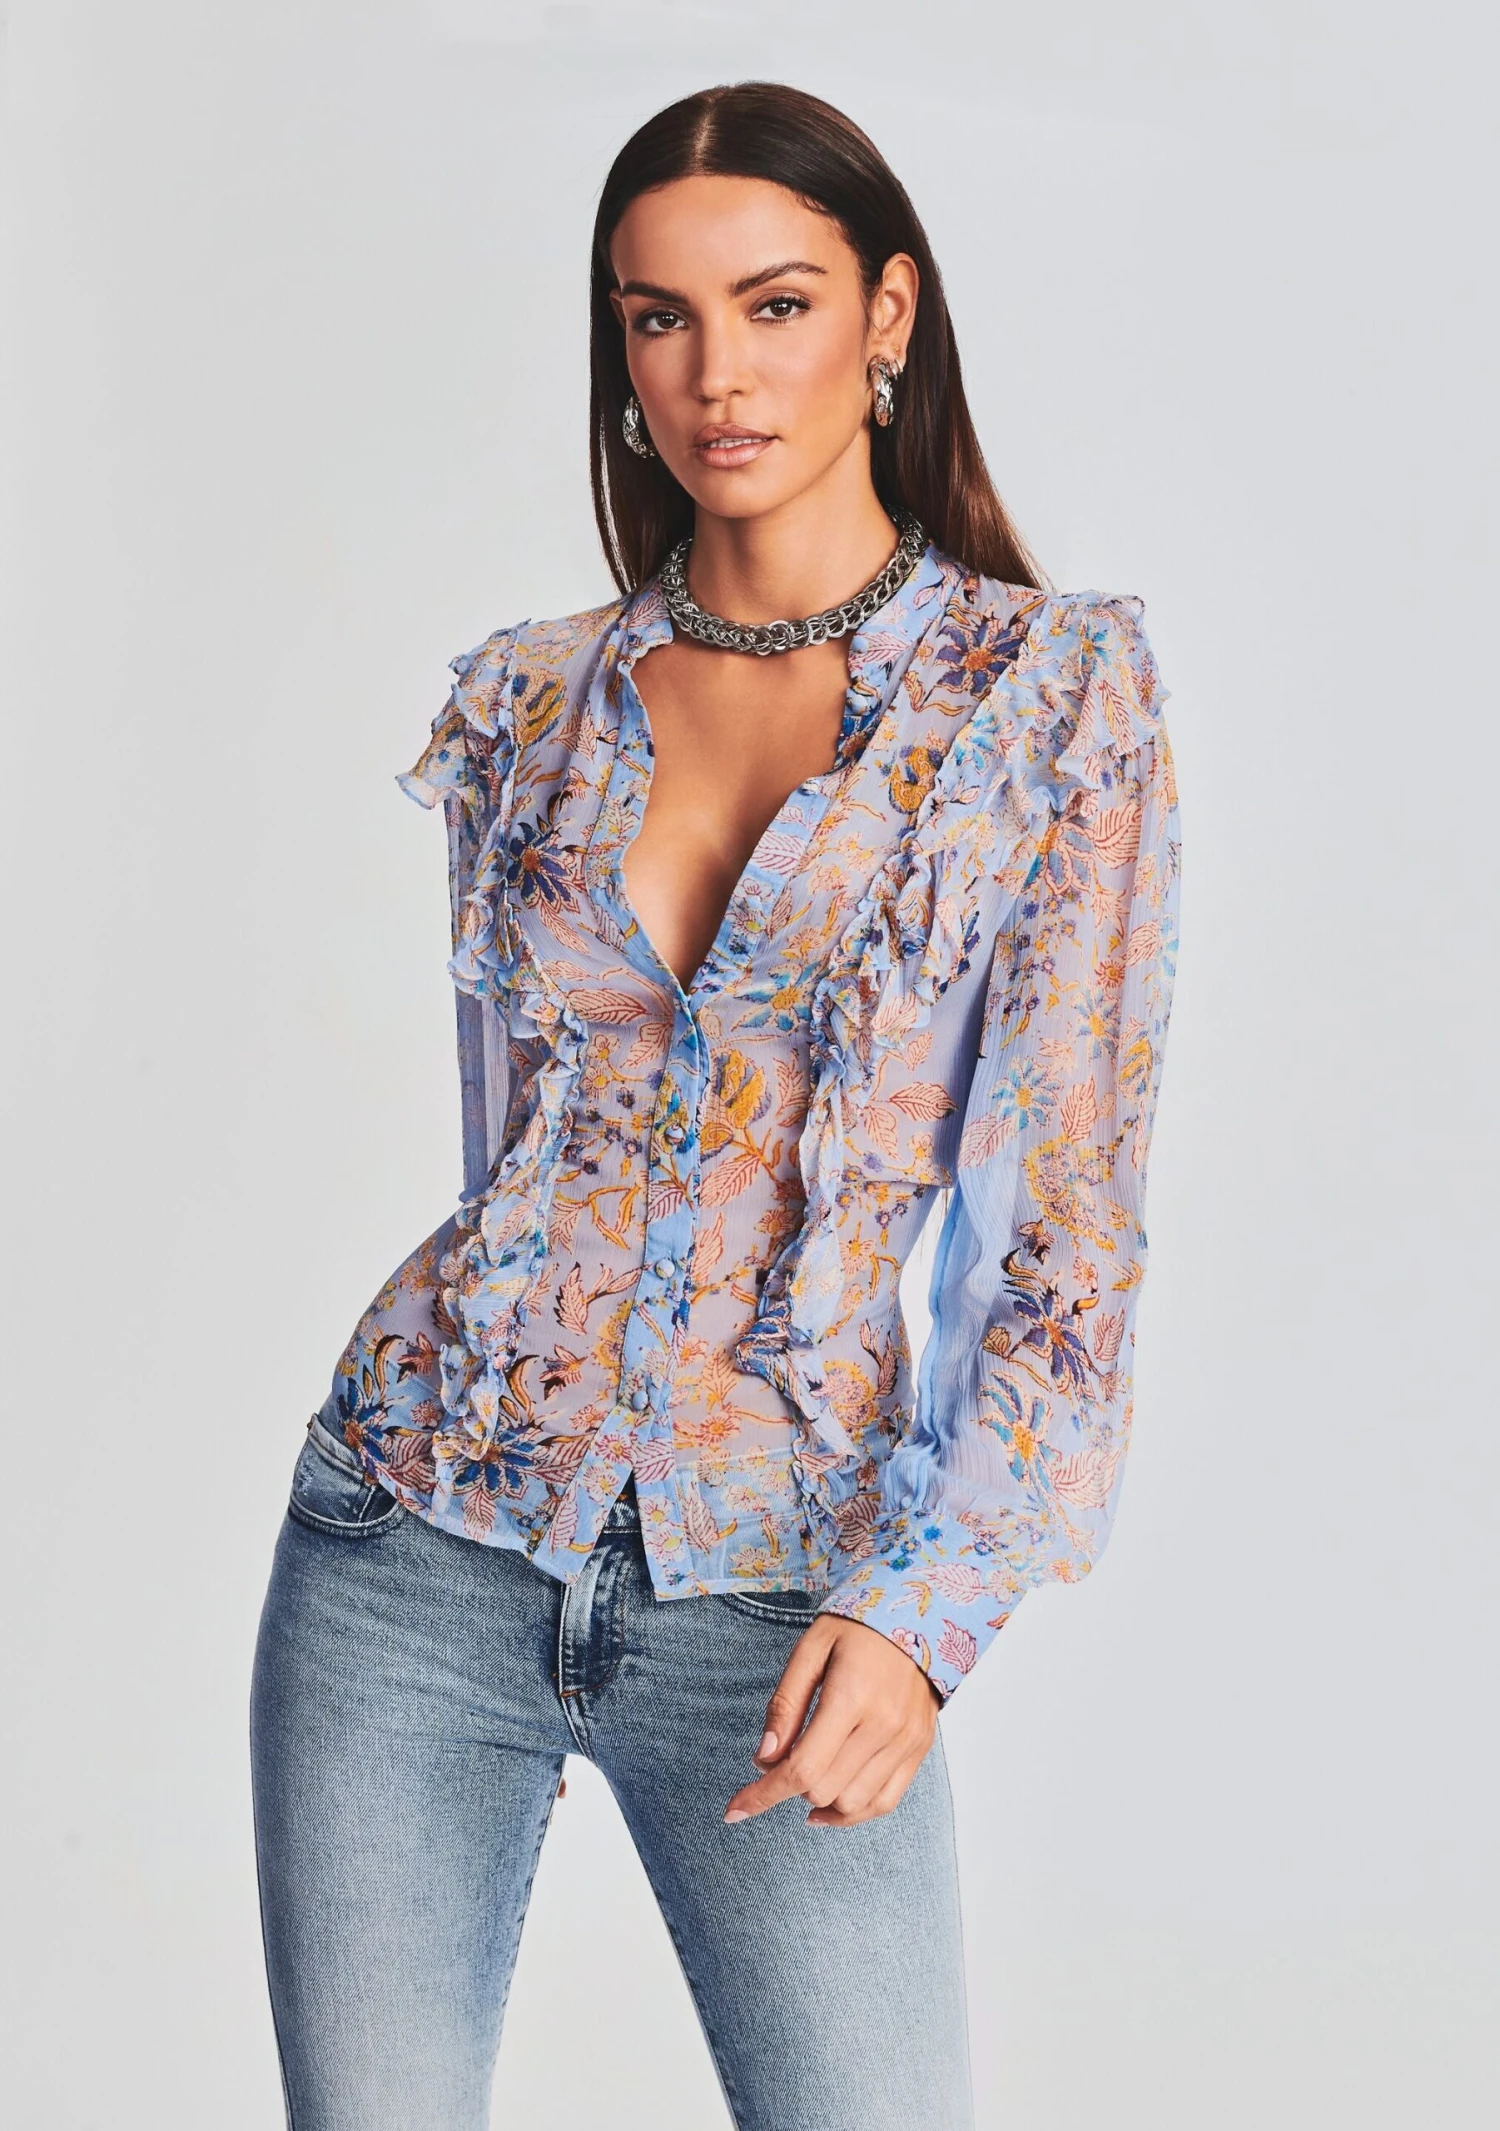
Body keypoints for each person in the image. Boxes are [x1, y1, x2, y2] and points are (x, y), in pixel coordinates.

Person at [249, 79, 1181, 2131]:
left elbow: (1066, 1246)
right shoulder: (528, 701)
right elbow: (510, 1159)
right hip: (409, 1544)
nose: (714, 376)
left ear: (887, 316)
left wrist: (923, 1619)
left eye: (774, 305)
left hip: (788, 1592)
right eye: (657, 319)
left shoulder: (1048, 705)